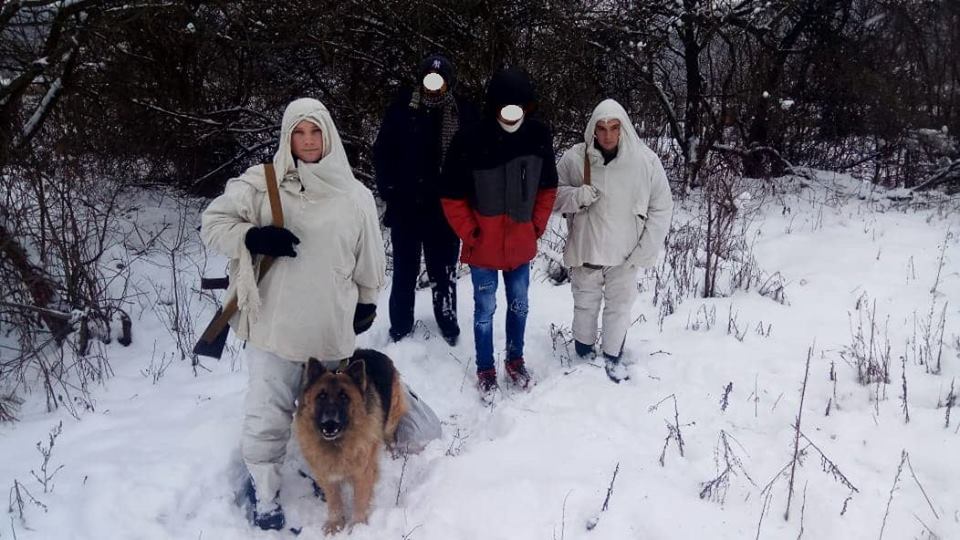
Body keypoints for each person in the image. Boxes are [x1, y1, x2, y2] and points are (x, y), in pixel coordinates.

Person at [200, 98, 386, 530]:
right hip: (274, 329)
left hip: (328, 332)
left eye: (314, 132)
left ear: (329, 136)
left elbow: (369, 258)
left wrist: (367, 299)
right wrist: (252, 236)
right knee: (267, 416)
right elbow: (212, 222)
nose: (306, 141)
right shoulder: (262, 184)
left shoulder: (354, 194)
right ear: (287, 137)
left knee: (334, 412)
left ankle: (328, 472)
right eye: (297, 133)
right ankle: (265, 492)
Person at [440, 67, 558, 398]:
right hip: (484, 249)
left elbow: (548, 188)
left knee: (519, 304)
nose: (512, 114)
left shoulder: (538, 137)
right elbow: (450, 196)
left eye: (518, 106)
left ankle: (515, 360)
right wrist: (472, 233)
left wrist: (535, 226)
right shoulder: (469, 139)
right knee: (484, 310)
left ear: (527, 107)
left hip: (520, 246)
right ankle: (485, 368)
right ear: (493, 106)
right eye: (505, 106)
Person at [553, 99, 673, 382]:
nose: (607, 135)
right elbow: (550, 196)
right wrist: (576, 197)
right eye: (602, 128)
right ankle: (582, 357)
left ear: (624, 128)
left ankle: (612, 357)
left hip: (625, 254)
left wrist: (644, 250)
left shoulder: (645, 162)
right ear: (593, 130)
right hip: (588, 249)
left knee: (619, 307)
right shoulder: (574, 159)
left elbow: (662, 207)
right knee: (584, 303)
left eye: (614, 128)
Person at [374, 54, 478, 345]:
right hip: (406, 206)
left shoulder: (463, 113)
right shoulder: (402, 109)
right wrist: (389, 191)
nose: (434, 86)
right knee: (404, 273)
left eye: (440, 80)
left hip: (445, 209)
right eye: (429, 79)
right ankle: (400, 326)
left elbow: (474, 157)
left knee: (444, 273)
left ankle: (447, 320)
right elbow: (383, 153)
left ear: (448, 83)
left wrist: (465, 196)